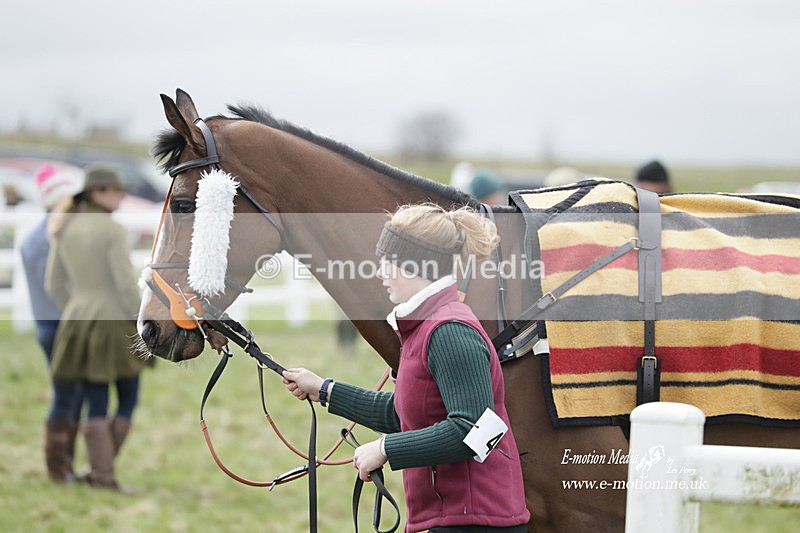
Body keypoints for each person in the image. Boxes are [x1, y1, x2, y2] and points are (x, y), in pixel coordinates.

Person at [283, 204, 530, 532]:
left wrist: (385, 448)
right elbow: (410, 413)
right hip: (455, 516)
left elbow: (475, 429)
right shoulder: (428, 325)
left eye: (387, 262)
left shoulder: (449, 331)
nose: (379, 272)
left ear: (414, 265)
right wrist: (325, 390)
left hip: (477, 521)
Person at [45, 163, 148, 492]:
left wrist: (78, 306)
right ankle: (102, 474)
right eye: (114, 190)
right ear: (96, 193)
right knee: (128, 398)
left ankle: (97, 471)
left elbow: (53, 284)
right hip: (113, 320)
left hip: (77, 318)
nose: (120, 196)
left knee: (95, 398)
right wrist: (140, 318)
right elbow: (124, 284)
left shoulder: (65, 226)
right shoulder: (112, 230)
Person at [20, 164, 85, 483]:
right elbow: (58, 287)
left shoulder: (40, 236)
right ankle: (58, 467)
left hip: (51, 325)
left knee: (70, 394)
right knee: (66, 396)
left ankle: (64, 464)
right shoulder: (50, 238)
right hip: (60, 326)